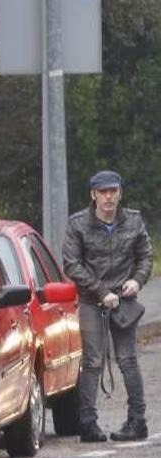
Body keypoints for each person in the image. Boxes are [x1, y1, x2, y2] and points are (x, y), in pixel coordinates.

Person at [63, 170, 153, 442]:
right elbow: (71, 264)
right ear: (94, 195)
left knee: (127, 359)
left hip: (125, 301)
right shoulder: (77, 224)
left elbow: (145, 256)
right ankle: (88, 424)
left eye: (113, 191)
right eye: (103, 192)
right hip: (93, 302)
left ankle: (138, 421)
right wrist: (101, 292)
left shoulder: (133, 221)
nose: (109, 197)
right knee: (92, 361)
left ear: (120, 193)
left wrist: (137, 281)